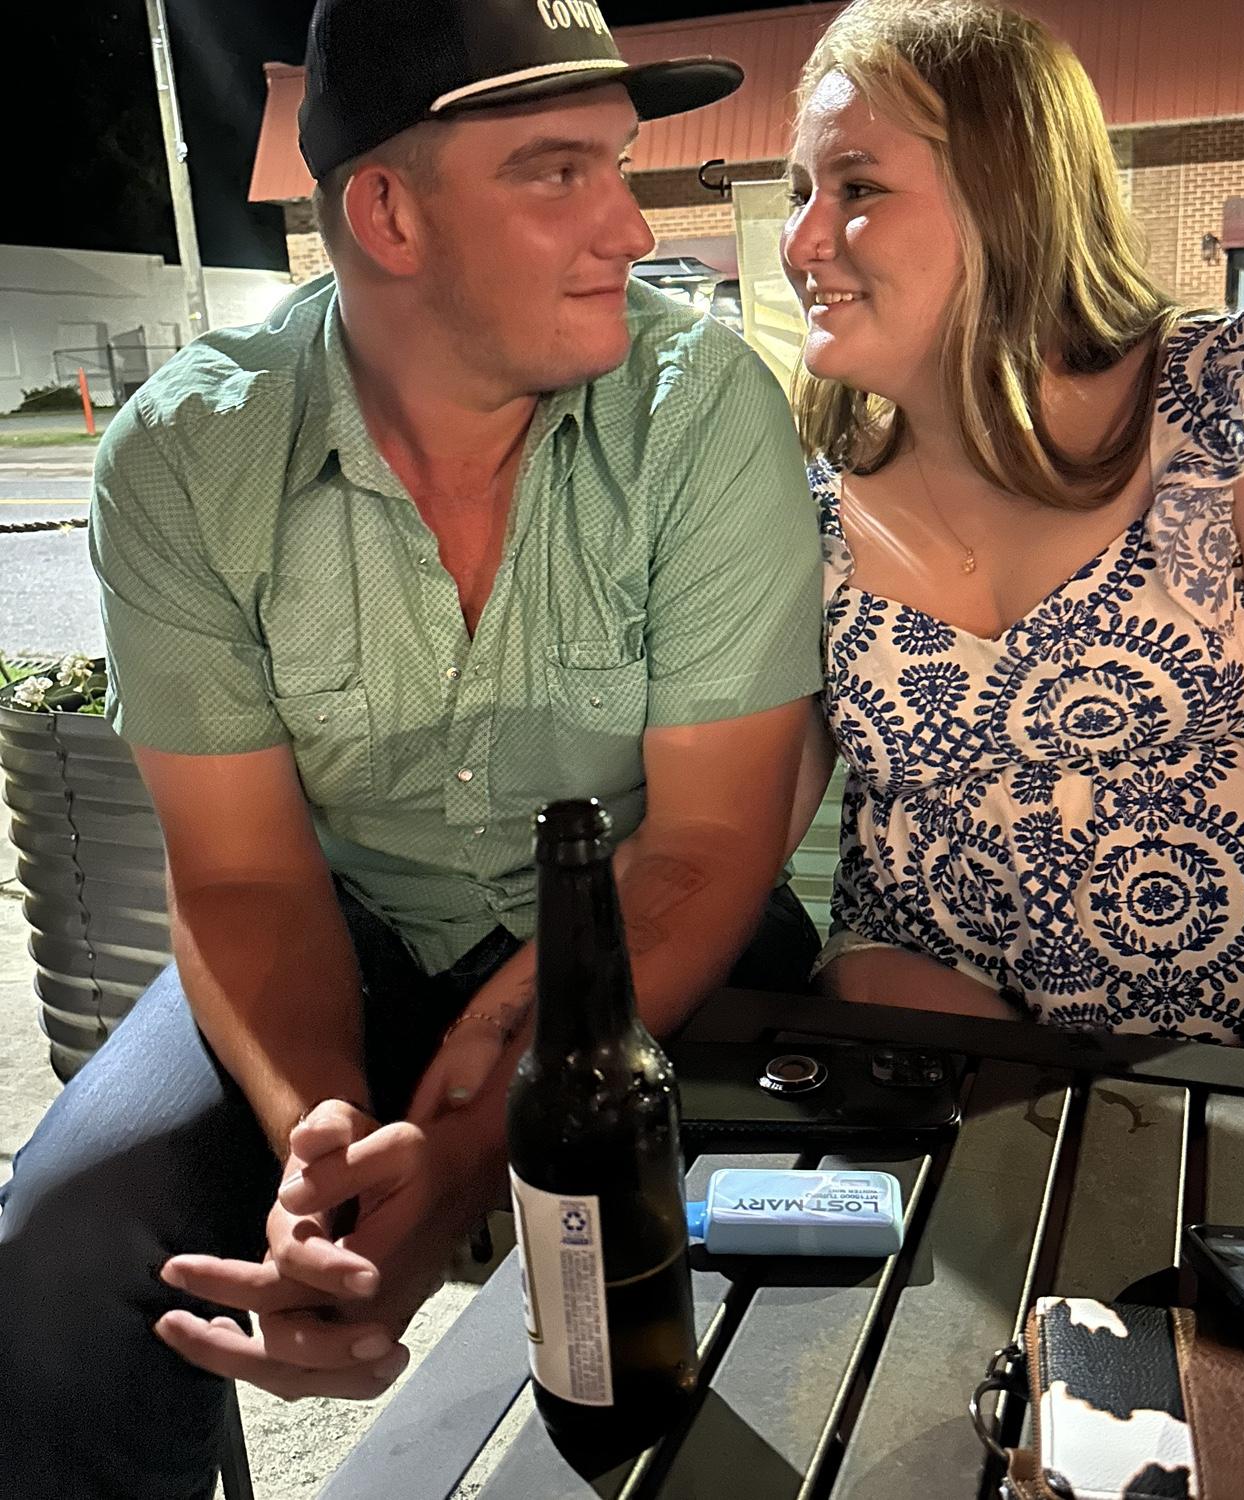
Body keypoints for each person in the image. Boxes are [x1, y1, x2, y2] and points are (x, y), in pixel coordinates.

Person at [0, 0, 822, 1494]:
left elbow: (711, 843)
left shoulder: (697, 409)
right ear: (387, 213)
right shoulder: (185, 457)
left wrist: (456, 1167)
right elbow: (244, 877)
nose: (634, 230)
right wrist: (326, 1150)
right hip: (349, 931)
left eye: (620, 165)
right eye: (559, 172)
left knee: (793, 1247)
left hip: (648, 929)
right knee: (63, 1246)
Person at [778, 0, 1244, 1073]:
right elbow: (745, 825)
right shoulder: (814, 508)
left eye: (856, 188)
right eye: (799, 191)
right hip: (988, 1086)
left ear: (1012, 195)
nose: (800, 240)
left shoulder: (1238, 412)